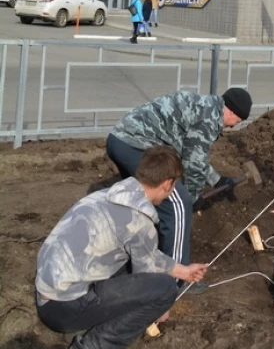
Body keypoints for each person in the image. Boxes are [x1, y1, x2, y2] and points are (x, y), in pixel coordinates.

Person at [36, 146, 207, 349]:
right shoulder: (140, 222)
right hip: (63, 308)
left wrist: (183, 270)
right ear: (168, 184)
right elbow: (146, 276)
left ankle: (87, 333)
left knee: (131, 265)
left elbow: (145, 254)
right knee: (165, 290)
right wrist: (162, 305)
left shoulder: (106, 196)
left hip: (48, 292)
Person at [106, 88, 253, 275]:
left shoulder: (204, 107)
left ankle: (129, 261)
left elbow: (190, 153)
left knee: (142, 203)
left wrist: (217, 180)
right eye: (237, 122)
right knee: (179, 205)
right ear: (231, 111)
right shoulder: (209, 119)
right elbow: (192, 164)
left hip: (120, 141)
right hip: (136, 146)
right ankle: (177, 279)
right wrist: (193, 197)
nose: (233, 127)